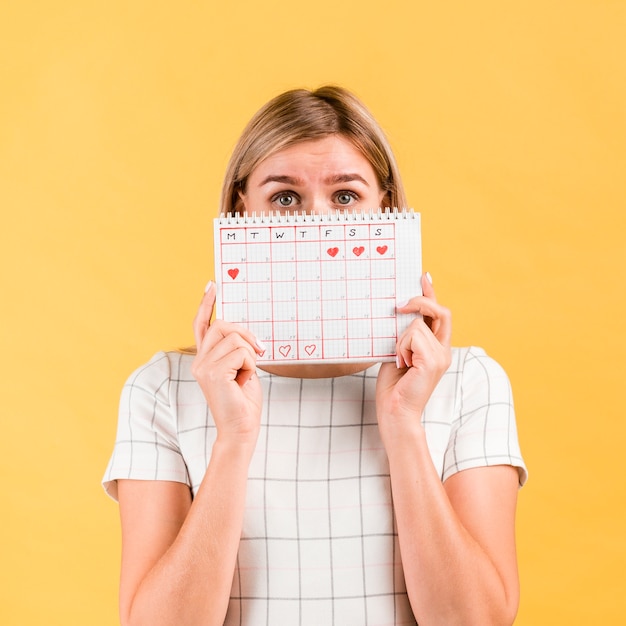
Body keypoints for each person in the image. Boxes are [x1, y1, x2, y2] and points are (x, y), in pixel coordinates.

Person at [103, 85, 527, 626]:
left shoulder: (470, 383)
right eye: (284, 198)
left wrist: (402, 424)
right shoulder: (162, 388)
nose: (316, 222)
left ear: (387, 209)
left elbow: (477, 621)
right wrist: (233, 439)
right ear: (242, 210)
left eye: (346, 196)